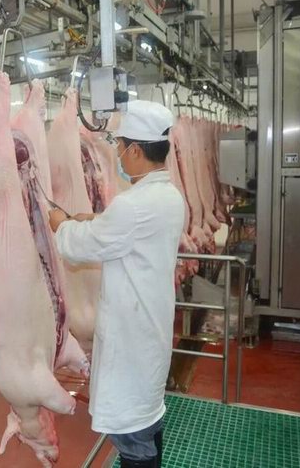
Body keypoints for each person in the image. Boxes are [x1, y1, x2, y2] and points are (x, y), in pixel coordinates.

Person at [48, 100, 185, 468]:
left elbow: (81, 246)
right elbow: (124, 231)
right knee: (147, 422)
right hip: (150, 329)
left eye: (121, 146)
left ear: (136, 150)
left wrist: (61, 224)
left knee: (133, 440)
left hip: (131, 338)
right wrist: (91, 217)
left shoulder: (133, 206)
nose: (119, 154)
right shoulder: (169, 197)